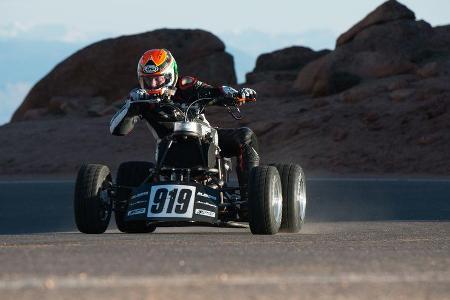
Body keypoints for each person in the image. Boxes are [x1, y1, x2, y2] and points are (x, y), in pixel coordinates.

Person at [110, 48, 259, 201]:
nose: (153, 84)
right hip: (168, 149)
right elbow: (117, 129)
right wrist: (131, 106)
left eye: (158, 79)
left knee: (245, 136)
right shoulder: (141, 99)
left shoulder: (187, 86)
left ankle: (250, 198)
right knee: (132, 172)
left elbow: (216, 92)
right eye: (148, 80)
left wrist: (236, 95)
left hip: (206, 139)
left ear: (170, 75)